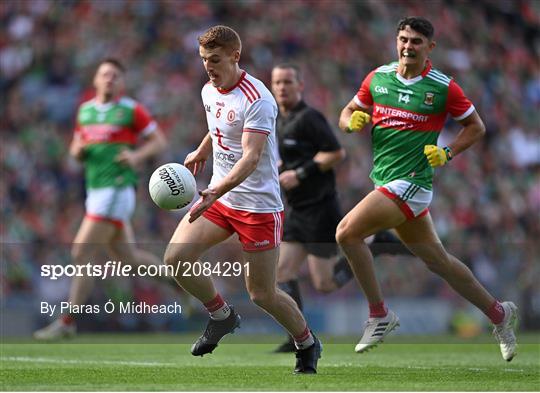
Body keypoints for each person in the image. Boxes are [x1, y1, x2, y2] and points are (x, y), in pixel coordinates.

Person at [336, 16, 518, 361]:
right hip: (386, 179)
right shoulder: (378, 78)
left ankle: (379, 315)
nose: (408, 46)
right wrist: (350, 122)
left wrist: (448, 152)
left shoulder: (442, 87)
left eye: (416, 41)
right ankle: (499, 314)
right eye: (403, 39)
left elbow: (475, 127)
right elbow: (347, 111)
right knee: (439, 262)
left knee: (346, 233)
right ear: (396, 41)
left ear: (430, 47)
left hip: (412, 182)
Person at [163, 26, 321, 374]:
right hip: (221, 197)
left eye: (215, 59)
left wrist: (214, 191)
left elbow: (250, 158)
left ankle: (307, 342)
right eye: (204, 59)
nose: (208, 66)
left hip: (258, 206)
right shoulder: (209, 89)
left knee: (262, 294)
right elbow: (219, 122)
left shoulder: (258, 99)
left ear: (235, 55)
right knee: (176, 258)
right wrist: (202, 149)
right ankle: (221, 316)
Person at [270, 63, 412, 353]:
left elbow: (336, 153)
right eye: (277, 82)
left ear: (300, 86)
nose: (282, 87)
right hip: (297, 210)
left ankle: (375, 245)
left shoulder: (309, 118)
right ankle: (298, 336)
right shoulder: (278, 120)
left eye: (287, 81)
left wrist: (300, 173)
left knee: (323, 283)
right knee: (282, 272)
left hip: (320, 208)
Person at [34, 58, 167, 340]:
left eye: (115, 75)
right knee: (129, 259)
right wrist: (78, 152)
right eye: (105, 74)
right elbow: (75, 148)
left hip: (117, 189)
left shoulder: (130, 110)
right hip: (94, 191)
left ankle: (67, 322)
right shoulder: (85, 111)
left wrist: (136, 155)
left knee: (82, 252)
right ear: (95, 79)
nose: (109, 79)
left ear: (122, 82)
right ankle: (181, 281)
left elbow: (159, 141)